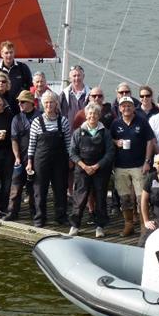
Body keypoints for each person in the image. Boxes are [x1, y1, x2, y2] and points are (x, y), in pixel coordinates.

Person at [111, 95, 155, 236]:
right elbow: (109, 139)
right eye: (123, 106)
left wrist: (147, 161)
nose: (126, 108)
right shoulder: (115, 123)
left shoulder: (142, 122)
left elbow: (150, 141)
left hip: (139, 166)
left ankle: (144, 226)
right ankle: (128, 225)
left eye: (129, 105)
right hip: (120, 166)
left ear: (133, 107)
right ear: (120, 108)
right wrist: (115, 142)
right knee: (124, 198)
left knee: (141, 197)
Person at [69, 102, 115, 238]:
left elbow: (110, 152)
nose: (92, 116)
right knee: (80, 198)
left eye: (95, 113)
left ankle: (100, 226)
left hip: (100, 170)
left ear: (99, 115)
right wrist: (84, 166)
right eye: (90, 113)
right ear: (86, 115)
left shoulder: (105, 132)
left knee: (100, 198)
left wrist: (97, 166)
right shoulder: (78, 132)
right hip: (82, 169)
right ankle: (75, 225)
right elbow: (72, 152)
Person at [27, 93, 72, 227]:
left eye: (51, 102)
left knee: (60, 189)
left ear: (56, 104)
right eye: (46, 103)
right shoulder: (37, 121)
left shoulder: (63, 121)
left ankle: (61, 216)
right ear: (42, 104)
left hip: (60, 161)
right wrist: (29, 162)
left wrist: (70, 159)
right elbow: (32, 143)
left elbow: (68, 143)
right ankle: (40, 217)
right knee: (40, 190)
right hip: (41, 160)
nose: (49, 105)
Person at [4, 90, 41, 221]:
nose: (20, 104)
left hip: (37, 157)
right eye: (19, 102)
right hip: (21, 156)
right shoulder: (16, 118)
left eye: (23, 102)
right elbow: (14, 139)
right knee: (16, 186)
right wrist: (17, 157)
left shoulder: (40, 116)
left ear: (31, 102)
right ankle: (12, 212)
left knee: (34, 188)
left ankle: (34, 212)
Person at [0, 40, 32, 115]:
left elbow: (30, 86)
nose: (9, 55)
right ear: (1, 54)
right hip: (1, 109)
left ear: (14, 53)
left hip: (19, 109)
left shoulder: (23, 68)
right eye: (6, 53)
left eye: (11, 52)